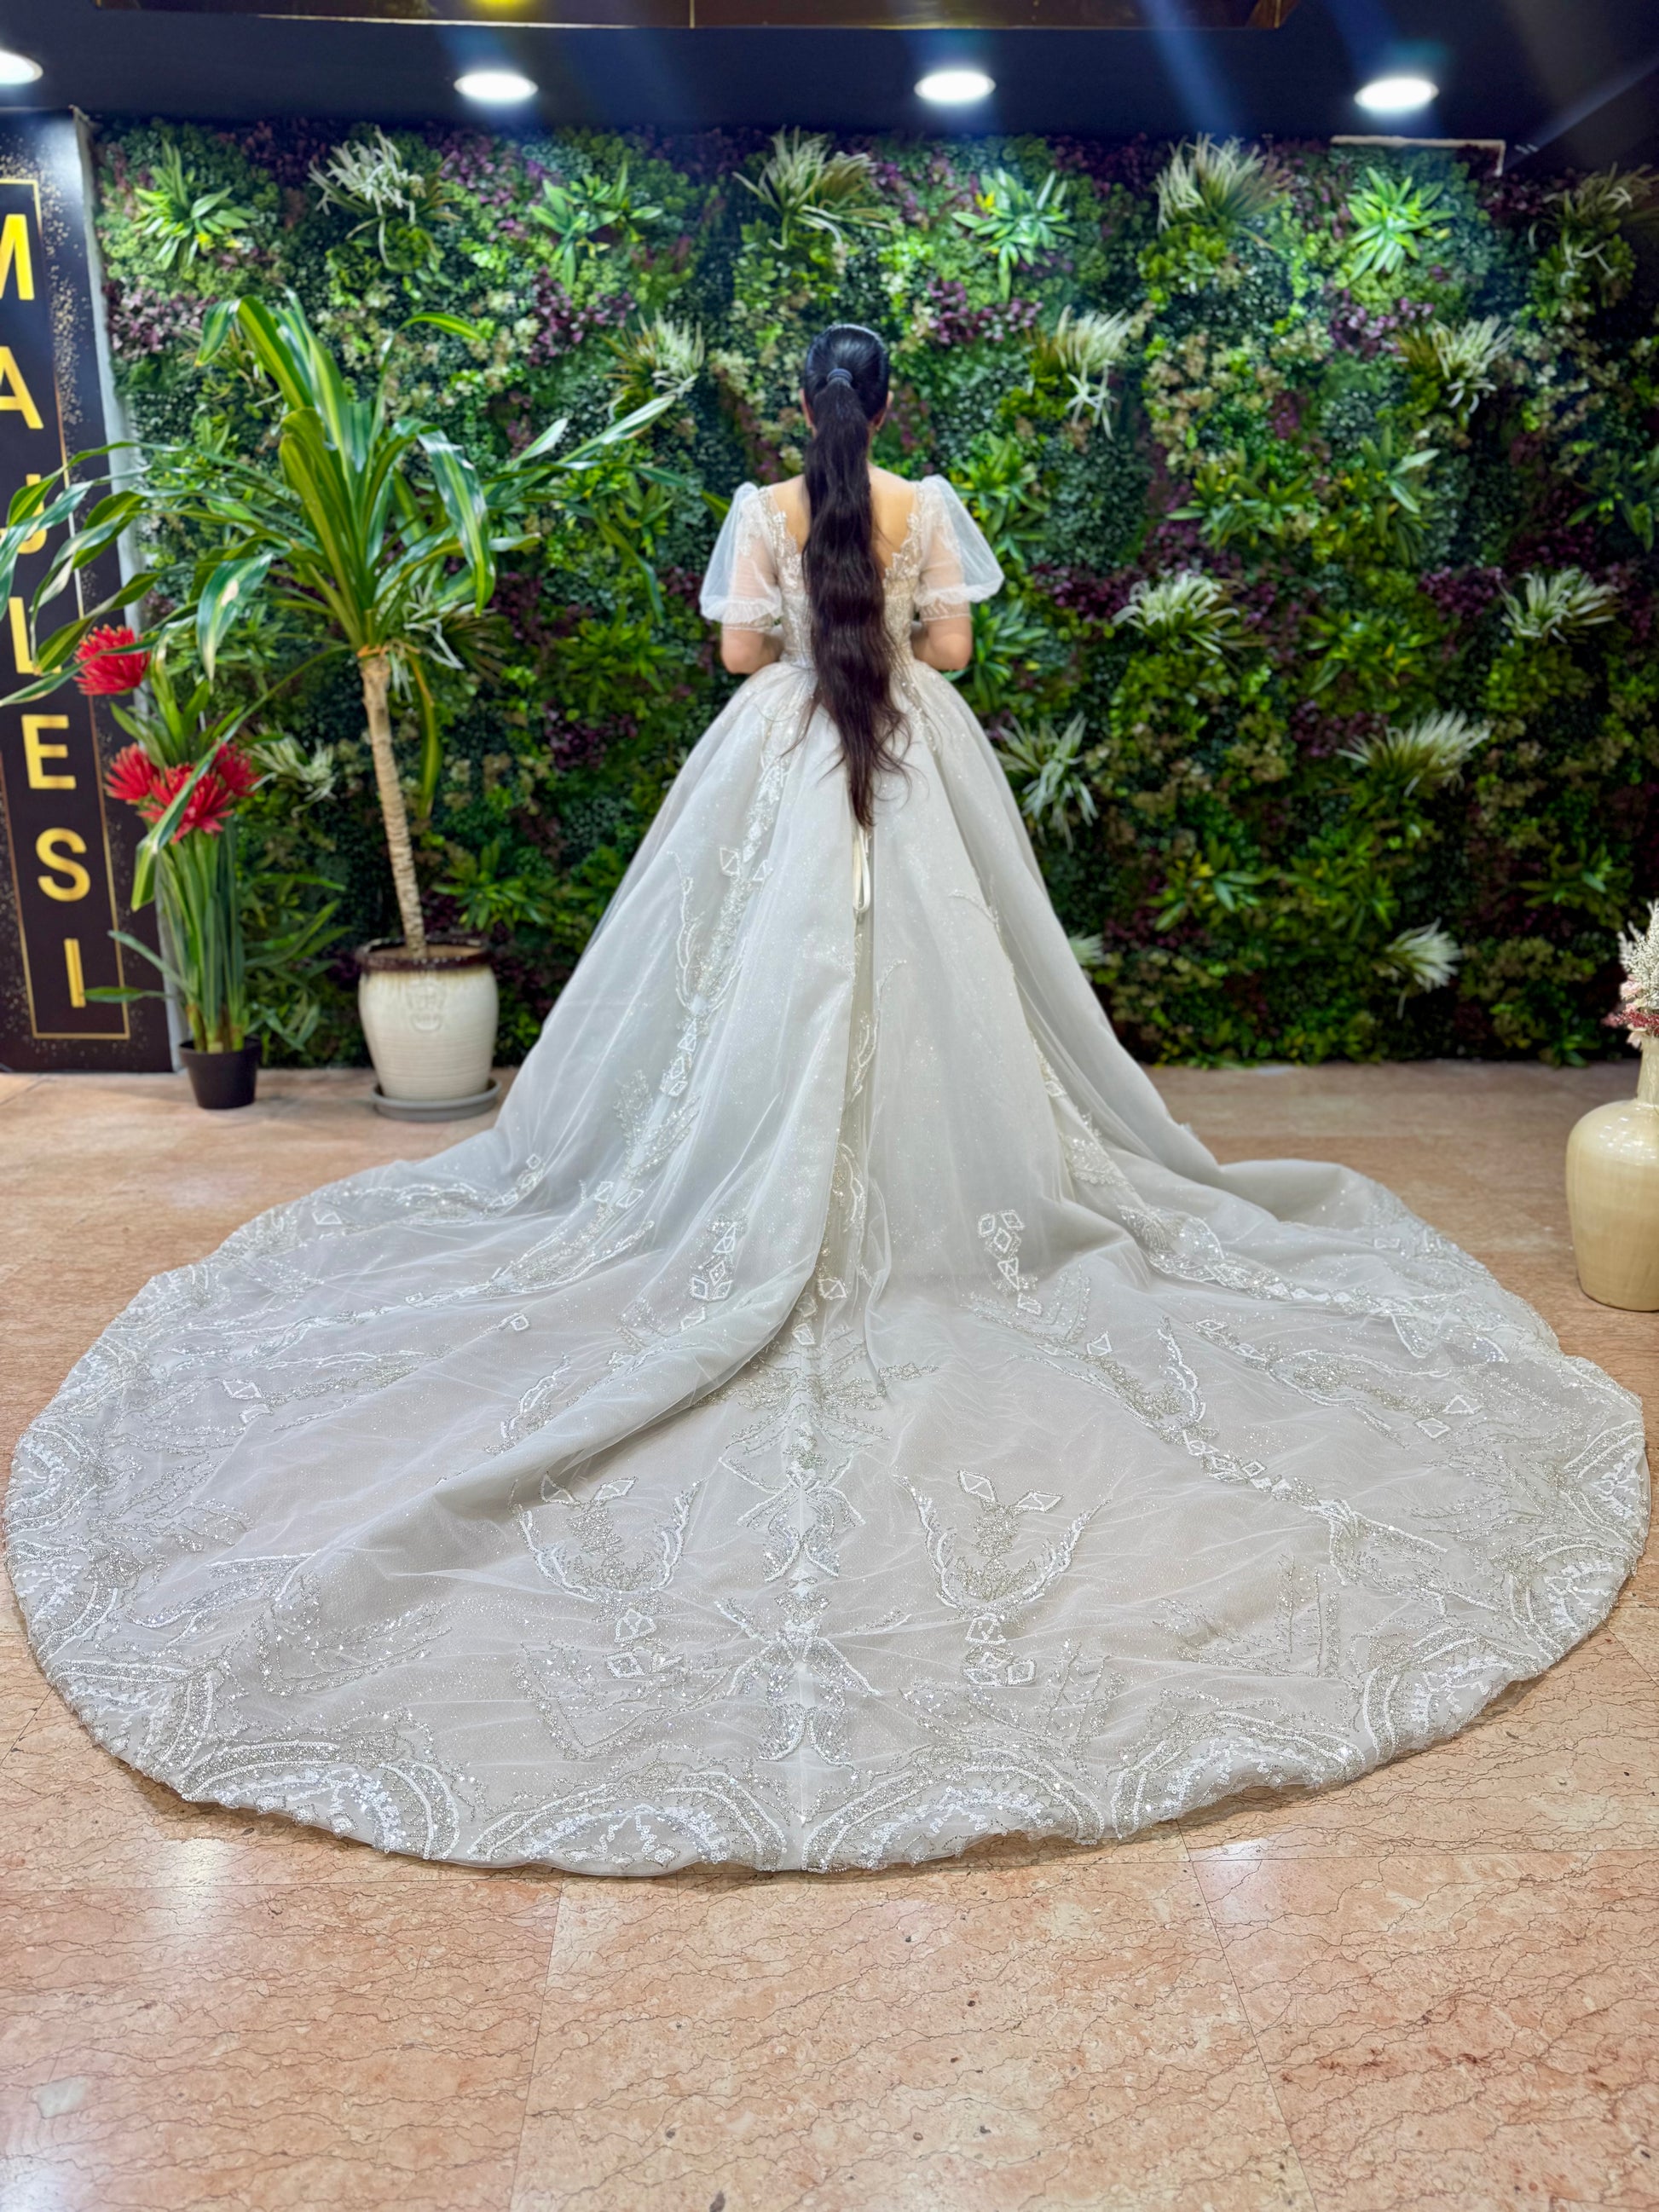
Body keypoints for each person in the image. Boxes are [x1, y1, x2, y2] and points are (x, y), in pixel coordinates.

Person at [8, 324, 1645, 1876]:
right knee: (957, 987)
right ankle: (937, 1198)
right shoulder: (927, 506)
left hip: (783, 762)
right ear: (890, 401)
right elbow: (950, 651)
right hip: (911, 761)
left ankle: (746, 1185)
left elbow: (737, 653)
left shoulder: (762, 508)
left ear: (804, 409)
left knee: (748, 994)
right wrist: (900, 630)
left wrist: (792, 635)